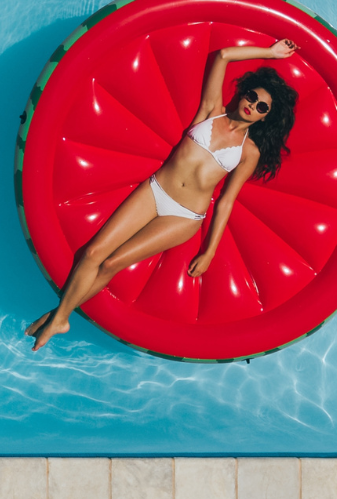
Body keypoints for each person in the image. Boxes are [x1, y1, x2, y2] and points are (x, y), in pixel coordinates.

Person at [27, 37, 300, 350]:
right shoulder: (213, 111)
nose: (252, 105)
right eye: (252, 96)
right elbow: (223, 56)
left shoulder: (248, 152)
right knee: (91, 254)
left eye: (261, 107)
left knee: (112, 263)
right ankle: (59, 318)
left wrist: (209, 251)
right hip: (155, 189)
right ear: (244, 93)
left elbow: (226, 201)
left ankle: (58, 317)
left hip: (184, 217)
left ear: (266, 117)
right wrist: (270, 53)